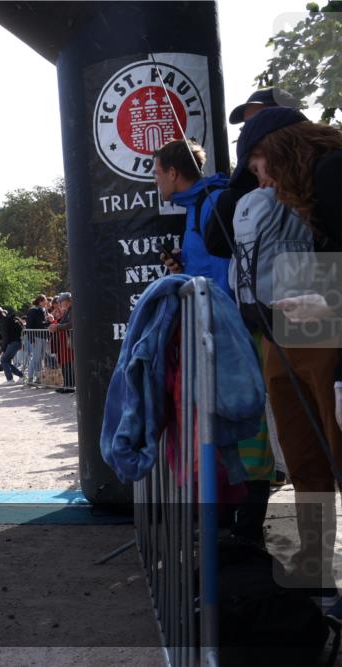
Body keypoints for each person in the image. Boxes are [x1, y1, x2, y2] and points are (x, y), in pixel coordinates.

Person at [230, 108, 342, 596]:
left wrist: (331, 300)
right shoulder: (288, 188)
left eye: (258, 164)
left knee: (332, 445)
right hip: (291, 308)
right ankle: (314, 565)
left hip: (323, 307)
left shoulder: (332, 170)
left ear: (277, 147)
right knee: (302, 455)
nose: (260, 179)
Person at [151, 139, 232, 297]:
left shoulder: (212, 203)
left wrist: (222, 311)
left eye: (157, 174)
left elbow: (226, 275)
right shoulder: (195, 203)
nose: (155, 181)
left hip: (216, 309)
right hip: (204, 306)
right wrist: (184, 266)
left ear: (172, 173)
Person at [49, 293, 75, 393]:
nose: (60, 304)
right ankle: (66, 384)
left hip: (70, 340)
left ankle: (70, 386)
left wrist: (57, 327)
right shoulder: (67, 310)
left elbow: (71, 324)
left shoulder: (73, 309)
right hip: (65, 341)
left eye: (61, 302)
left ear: (67, 301)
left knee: (69, 363)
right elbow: (62, 323)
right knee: (65, 363)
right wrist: (54, 325)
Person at [0, 306, 23, 382]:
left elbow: (6, 337)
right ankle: (21, 376)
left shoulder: (3, 321)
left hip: (14, 343)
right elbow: (3, 334)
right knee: (6, 361)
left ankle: (10, 379)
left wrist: (3, 350)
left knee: (3, 360)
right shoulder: (2, 320)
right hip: (15, 342)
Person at [24, 295, 50, 382]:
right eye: (45, 300)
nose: (46, 302)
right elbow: (29, 325)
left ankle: (38, 377)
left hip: (43, 336)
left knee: (40, 358)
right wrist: (31, 339)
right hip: (36, 337)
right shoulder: (32, 310)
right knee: (35, 357)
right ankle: (30, 377)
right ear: (40, 301)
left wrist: (48, 321)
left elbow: (43, 323)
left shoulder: (44, 310)